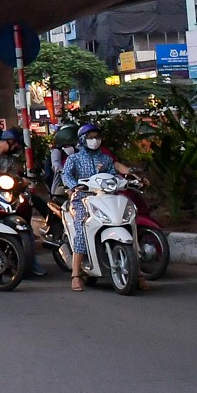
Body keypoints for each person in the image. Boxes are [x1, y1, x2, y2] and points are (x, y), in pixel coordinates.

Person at [58, 122, 140, 292]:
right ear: (82, 139)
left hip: (106, 198)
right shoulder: (74, 158)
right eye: (90, 137)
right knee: (81, 228)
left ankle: (137, 272)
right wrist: (74, 186)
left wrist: (127, 181)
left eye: (97, 137)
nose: (94, 140)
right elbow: (66, 175)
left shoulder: (105, 158)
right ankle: (75, 275)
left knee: (128, 222)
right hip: (83, 199)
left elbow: (114, 174)